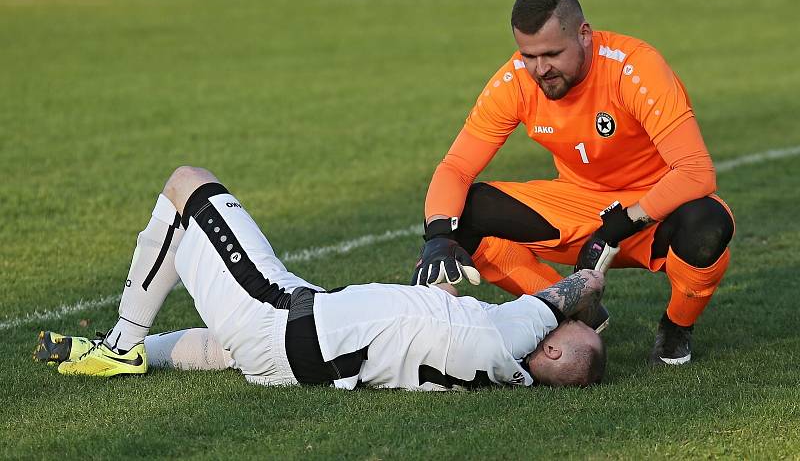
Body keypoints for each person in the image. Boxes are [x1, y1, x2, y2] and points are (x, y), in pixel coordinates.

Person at [34, 166, 606, 389]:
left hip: (285, 320)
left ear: (551, 355)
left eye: (556, 335)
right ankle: (129, 354)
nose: (546, 324)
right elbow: (432, 321)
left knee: (188, 185)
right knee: (226, 347)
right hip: (298, 344)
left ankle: (121, 342)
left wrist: (597, 265)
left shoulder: (508, 337)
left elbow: (572, 291)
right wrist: (441, 280)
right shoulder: (487, 352)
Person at [412, 0, 735, 366]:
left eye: (552, 53)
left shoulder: (634, 68)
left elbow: (696, 172)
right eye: (529, 55)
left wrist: (625, 222)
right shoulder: (517, 79)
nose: (540, 68)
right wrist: (437, 236)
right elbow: (456, 167)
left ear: (584, 35)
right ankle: (571, 304)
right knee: (462, 212)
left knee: (708, 221)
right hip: (579, 203)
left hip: (651, 209)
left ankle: (676, 327)